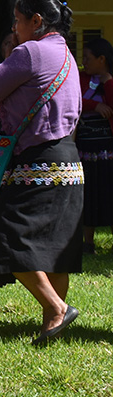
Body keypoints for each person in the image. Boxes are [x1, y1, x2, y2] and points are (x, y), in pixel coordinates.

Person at [0, 0, 83, 345]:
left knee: (5, 236)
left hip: (36, 160)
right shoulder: (67, 55)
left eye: (18, 20)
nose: (14, 27)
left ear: (37, 21)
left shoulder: (31, 51)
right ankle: (53, 322)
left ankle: (55, 308)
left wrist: (8, 59)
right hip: (69, 158)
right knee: (56, 245)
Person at [76, 37, 113, 255]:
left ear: (102, 59)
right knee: (88, 193)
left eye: (88, 58)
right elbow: (76, 100)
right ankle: (87, 242)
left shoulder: (109, 81)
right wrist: (96, 105)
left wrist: (107, 80)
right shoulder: (82, 79)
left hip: (108, 151)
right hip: (85, 149)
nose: (84, 63)